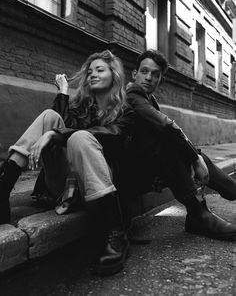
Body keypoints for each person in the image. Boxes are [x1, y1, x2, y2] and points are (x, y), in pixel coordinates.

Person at [0, 49, 135, 275]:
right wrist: (63, 94)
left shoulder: (126, 111)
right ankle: (3, 188)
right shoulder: (81, 108)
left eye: (100, 70)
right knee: (48, 117)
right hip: (65, 188)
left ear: (114, 75)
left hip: (97, 188)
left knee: (80, 136)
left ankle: (115, 233)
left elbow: (113, 136)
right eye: (90, 71)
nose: (92, 74)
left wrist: (59, 135)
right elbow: (57, 123)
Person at [125, 48, 236, 241]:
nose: (149, 77)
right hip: (128, 177)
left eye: (155, 75)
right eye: (144, 71)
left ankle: (223, 197)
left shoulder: (149, 99)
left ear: (161, 80)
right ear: (134, 74)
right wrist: (194, 158)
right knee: (173, 146)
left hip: (146, 168)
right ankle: (198, 214)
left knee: (191, 152)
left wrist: (196, 157)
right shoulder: (132, 94)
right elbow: (166, 126)